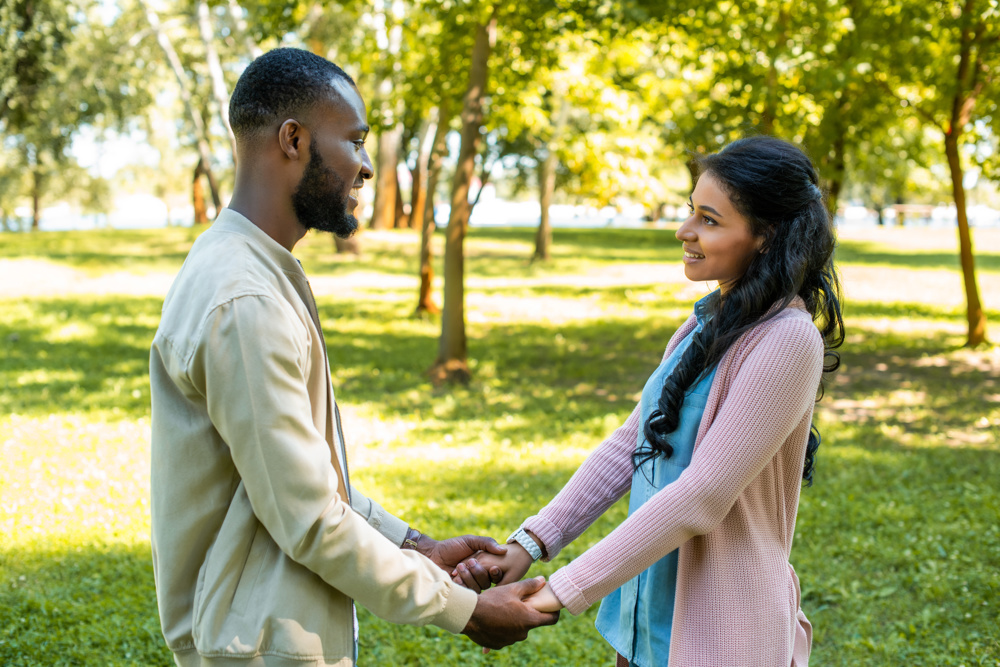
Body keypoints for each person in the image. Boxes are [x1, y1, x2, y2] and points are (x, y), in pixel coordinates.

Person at [149, 47, 557, 667]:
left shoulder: (252, 267)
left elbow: (301, 476)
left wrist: (414, 544)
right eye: (356, 141)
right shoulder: (247, 298)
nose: (366, 167)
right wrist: (465, 611)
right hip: (256, 647)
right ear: (293, 139)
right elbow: (309, 517)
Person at [454, 136, 844, 667]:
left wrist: (557, 592)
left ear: (765, 236)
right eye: (691, 211)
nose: (685, 231)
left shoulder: (787, 340)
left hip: (722, 639)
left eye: (709, 219)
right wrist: (528, 544)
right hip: (641, 629)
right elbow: (630, 445)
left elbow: (701, 496)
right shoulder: (702, 322)